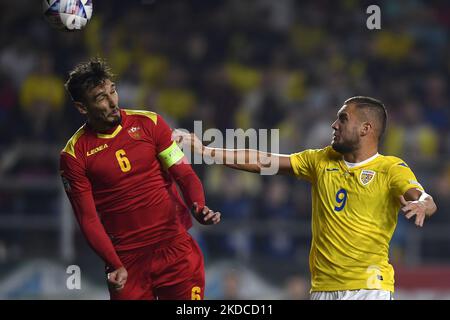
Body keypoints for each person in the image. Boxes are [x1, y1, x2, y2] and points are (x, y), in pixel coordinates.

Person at [174, 96, 437, 300]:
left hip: (367, 287)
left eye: (343, 119)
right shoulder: (320, 160)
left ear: (366, 128)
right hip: (322, 287)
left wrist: (423, 203)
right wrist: (207, 152)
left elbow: (423, 196)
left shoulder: (390, 168)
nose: (334, 125)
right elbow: (263, 160)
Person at [60, 58, 221, 300]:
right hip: (127, 262)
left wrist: (197, 206)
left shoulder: (150, 123)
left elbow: (184, 174)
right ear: (82, 108)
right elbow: (87, 219)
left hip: (175, 249)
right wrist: (114, 264)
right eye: (101, 98)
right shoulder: (74, 155)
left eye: (112, 90)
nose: (113, 101)